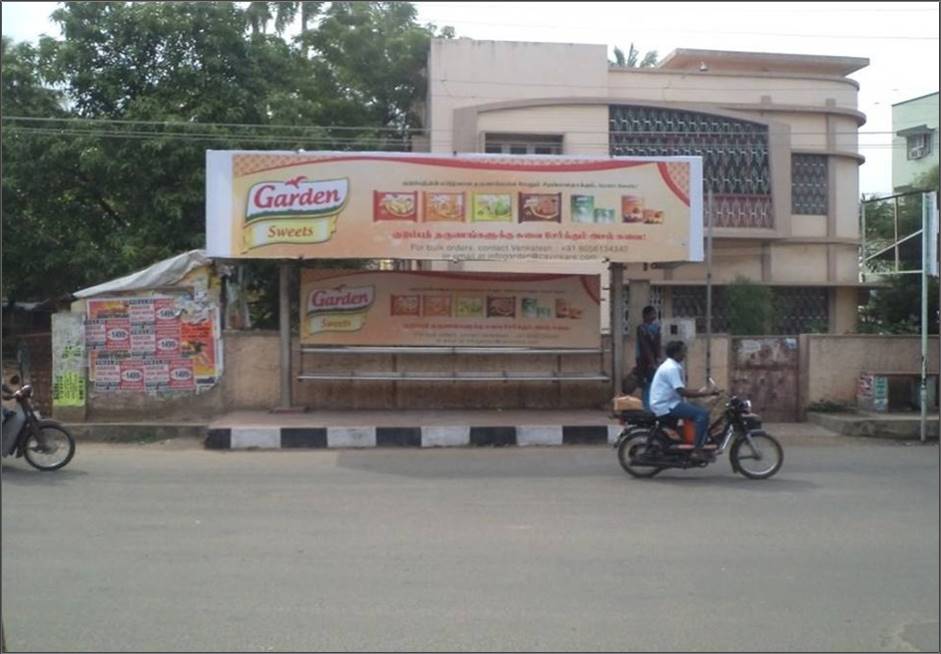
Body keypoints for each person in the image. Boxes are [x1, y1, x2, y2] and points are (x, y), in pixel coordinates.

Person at [648, 340, 720, 460]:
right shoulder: (671, 368)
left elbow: (681, 389)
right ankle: (697, 450)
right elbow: (682, 392)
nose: (685, 354)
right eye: (683, 352)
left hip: (669, 402)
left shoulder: (671, 366)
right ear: (676, 353)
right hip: (666, 405)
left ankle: (691, 442)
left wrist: (702, 391)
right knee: (702, 414)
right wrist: (705, 393)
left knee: (697, 409)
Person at [635, 305, 661, 410]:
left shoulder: (656, 328)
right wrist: (653, 362)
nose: (654, 316)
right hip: (643, 360)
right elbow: (645, 347)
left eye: (655, 314)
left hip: (653, 360)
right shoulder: (641, 329)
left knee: (654, 384)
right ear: (645, 316)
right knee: (646, 384)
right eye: (652, 314)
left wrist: (657, 359)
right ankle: (647, 408)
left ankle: (651, 407)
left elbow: (657, 345)